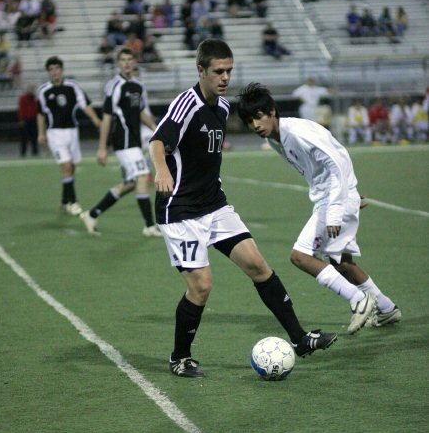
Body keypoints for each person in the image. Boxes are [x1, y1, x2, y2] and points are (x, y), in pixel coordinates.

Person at [148, 39, 337, 378]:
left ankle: (299, 340)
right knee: (201, 286)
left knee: (258, 265)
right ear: (201, 70)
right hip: (181, 210)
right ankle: (180, 357)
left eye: (229, 71)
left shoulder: (221, 108)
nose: (224, 77)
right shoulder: (185, 104)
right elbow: (159, 140)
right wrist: (161, 169)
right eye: (218, 71)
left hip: (213, 204)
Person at [237, 82, 401, 335]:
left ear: (272, 111)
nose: (255, 125)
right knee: (342, 263)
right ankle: (386, 308)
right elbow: (332, 163)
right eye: (249, 121)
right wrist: (350, 195)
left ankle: (358, 300)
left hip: (332, 201)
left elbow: (336, 162)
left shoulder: (298, 133)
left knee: (300, 256)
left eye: (258, 117)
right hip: (337, 196)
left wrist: (338, 207)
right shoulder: (275, 139)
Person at [80, 47, 160, 238]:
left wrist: (157, 129)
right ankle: (149, 225)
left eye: (129, 59)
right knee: (142, 176)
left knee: (132, 183)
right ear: (118, 63)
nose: (126, 63)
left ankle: (92, 214)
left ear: (134, 62)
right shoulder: (114, 86)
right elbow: (107, 117)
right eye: (122, 60)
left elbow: (141, 112)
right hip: (122, 140)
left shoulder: (138, 86)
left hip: (133, 140)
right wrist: (102, 148)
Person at [37, 56, 101, 215]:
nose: (54, 72)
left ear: (62, 70)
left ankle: (64, 201)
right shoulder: (43, 91)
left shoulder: (72, 87)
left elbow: (84, 104)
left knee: (71, 167)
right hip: (55, 133)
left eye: (57, 68)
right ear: (48, 72)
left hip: (72, 132)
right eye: (51, 69)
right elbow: (40, 114)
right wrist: (41, 133)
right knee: (66, 166)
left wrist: (95, 120)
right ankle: (73, 202)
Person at [17, 84, 38, 157]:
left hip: (33, 119)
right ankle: (23, 153)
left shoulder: (35, 98)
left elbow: (37, 110)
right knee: (24, 138)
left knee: (34, 137)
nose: (31, 91)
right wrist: (21, 120)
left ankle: (35, 152)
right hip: (25, 119)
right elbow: (21, 109)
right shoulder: (23, 98)